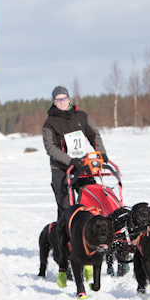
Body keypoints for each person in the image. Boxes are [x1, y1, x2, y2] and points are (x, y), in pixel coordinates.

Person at [42, 85, 109, 219]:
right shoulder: (49, 123)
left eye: (64, 98)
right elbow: (51, 148)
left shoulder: (81, 116)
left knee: (92, 200)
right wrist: (70, 161)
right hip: (61, 168)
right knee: (65, 207)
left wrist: (101, 153)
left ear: (69, 99)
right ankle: (65, 230)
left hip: (82, 165)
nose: (62, 102)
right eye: (58, 100)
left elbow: (93, 134)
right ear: (54, 102)